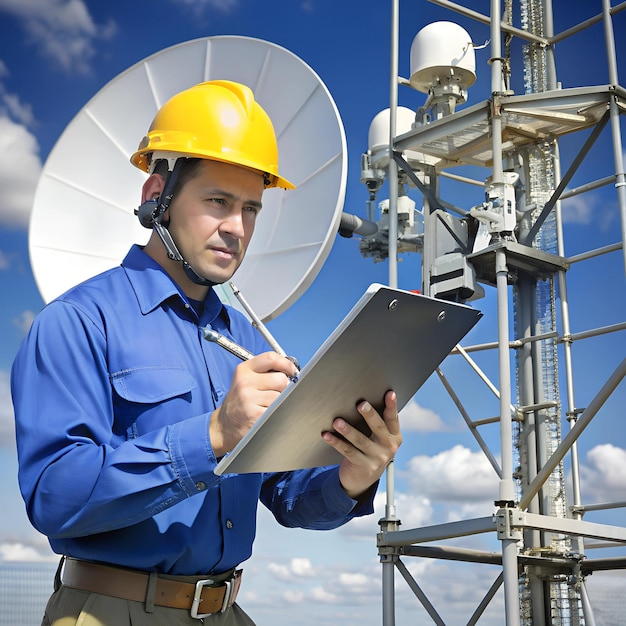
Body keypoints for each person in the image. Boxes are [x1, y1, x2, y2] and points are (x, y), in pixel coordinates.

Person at [11, 80, 402, 626]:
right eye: (217, 201)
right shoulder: (78, 322)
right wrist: (212, 436)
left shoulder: (239, 340)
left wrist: (351, 476)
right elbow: (54, 496)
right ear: (157, 197)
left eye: (250, 209)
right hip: (108, 612)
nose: (236, 228)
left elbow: (287, 496)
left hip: (227, 612)